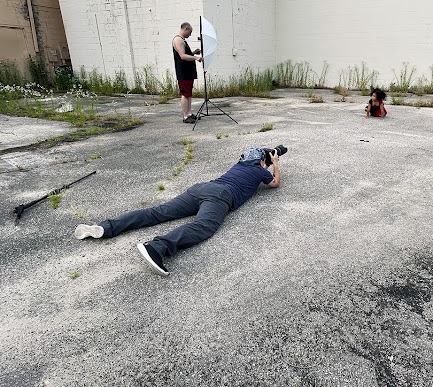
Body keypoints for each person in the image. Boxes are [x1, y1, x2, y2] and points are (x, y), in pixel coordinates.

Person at [73, 147, 281, 276]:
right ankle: (156, 248)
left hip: (200, 188)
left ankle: (105, 227)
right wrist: (275, 164)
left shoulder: (238, 165)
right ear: (261, 162)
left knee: (157, 212)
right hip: (220, 196)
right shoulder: (260, 171)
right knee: (203, 226)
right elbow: (275, 184)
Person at [173, 22, 202, 123]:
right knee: (185, 94)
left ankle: (189, 114)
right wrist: (196, 58)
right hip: (183, 72)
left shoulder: (182, 40)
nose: (190, 34)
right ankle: (185, 116)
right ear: (185, 29)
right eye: (190, 32)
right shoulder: (178, 40)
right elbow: (182, 56)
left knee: (189, 94)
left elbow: (185, 54)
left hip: (188, 72)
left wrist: (193, 53)